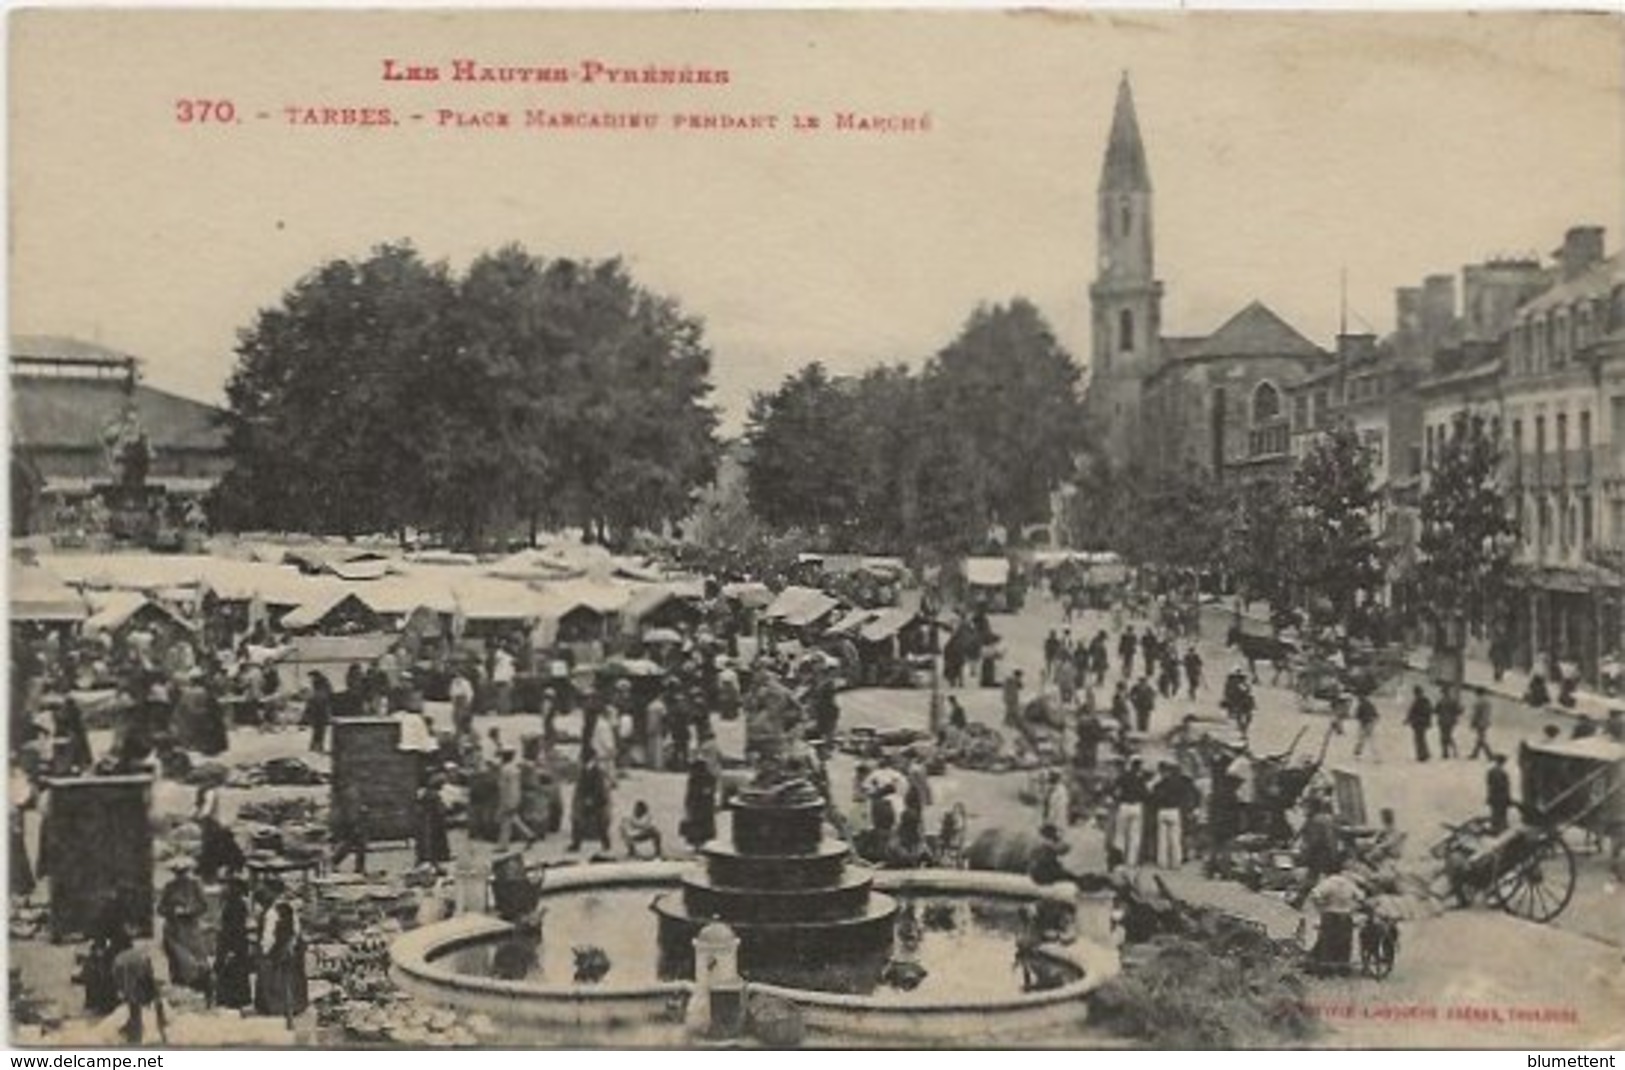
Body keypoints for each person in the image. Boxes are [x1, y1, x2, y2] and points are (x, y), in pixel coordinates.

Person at [156, 860, 212, 1005]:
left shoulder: (195, 885)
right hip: (174, 931)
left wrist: (189, 911)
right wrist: (172, 911)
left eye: (182, 872)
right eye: (177, 873)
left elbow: (204, 906)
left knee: (196, 962)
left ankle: (202, 993)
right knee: (176, 962)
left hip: (191, 931)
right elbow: (160, 909)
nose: (180, 876)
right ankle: (180, 995)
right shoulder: (169, 887)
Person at [255, 893, 308, 1026]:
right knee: (291, 980)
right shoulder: (289, 909)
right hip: (290, 949)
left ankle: (276, 1008)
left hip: (277, 950)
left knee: (274, 979)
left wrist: (264, 951)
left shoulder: (271, 913)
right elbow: (296, 930)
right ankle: (294, 1006)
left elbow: (269, 936)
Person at [1306, 864, 1364, 976]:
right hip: (1346, 916)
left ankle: (1325, 970)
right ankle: (1343, 969)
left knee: (1327, 942)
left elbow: (1315, 895)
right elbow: (1361, 897)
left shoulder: (1328, 883)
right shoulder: (1349, 883)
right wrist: (1353, 907)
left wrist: (1320, 907)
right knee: (1345, 943)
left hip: (1331, 915)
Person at [111, 939, 168, 1043]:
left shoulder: (144, 964)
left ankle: (132, 1029)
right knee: (135, 1003)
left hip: (122, 967)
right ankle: (134, 1035)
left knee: (134, 1003)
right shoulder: (144, 967)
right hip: (127, 968)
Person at [213, 874, 254, 1010]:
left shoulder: (236, 905)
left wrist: (231, 949)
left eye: (228, 886)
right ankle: (232, 999)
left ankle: (233, 999)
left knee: (233, 970)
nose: (224, 888)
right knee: (231, 970)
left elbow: (235, 928)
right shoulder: (230, 903)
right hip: (232, 941)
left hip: (233, 942)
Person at [1149, 760, 1200, 869]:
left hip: (1162, 811)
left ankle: (1162, 862)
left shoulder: (1158, 785)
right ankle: (1176, 862)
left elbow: (1153, 799)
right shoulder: (1180, 784)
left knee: (1162, 839)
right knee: (1175, 838)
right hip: (1174, 811)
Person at [194, 783, 244, 883]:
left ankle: (211, 874)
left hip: (211, 824)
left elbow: (206, 810)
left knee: (211, 848)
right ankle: (219, 873)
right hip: (215, 824)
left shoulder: (209, 792)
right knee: (217, 848)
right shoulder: (212, 791)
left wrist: (198, 816)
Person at [570, 748, 614, 853]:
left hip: (598, 801)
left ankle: (605, 843)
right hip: (589, 800)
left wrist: (591, 799)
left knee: (599, 823)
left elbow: (599, 789)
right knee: (578, 820)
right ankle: (577, 843)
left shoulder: (596, 772)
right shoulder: (585, 771)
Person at [496, 748, 538, 849]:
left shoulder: (505, 769)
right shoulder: (515, 769)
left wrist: (503, 802)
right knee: (513, 819)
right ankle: (529, 835)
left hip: (508, 797)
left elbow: (503, 787)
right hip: (516, 795)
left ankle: (503, 845)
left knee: (505, 822)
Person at [1112, 757, 1150, 869]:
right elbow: (1146, 794)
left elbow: (1114, 790)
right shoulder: (1141, 779)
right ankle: (1131, 862)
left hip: (1124, 806)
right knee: (1135, 836)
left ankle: (1119, 860)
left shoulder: (1123, 777)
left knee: (1120, 834)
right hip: (1137, 807)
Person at [680, 755, 718, 851]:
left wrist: (688, 805)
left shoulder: (695, 778)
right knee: (701, 824)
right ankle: (699, 843)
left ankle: (696, 843)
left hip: (697, 805)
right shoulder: (709, 777)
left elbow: (690, 794)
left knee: (696, 824)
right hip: (704, 806)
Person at [415, 774, 452, 870]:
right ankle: (433, 864)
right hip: (433, 822)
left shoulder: (425, 793)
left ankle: (428, 862)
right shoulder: (434, 795)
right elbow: (440, 809)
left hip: (425, 822)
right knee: (433, 843)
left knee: (426, 843)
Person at [304, 672, 333, 753]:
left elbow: (322, 696)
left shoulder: (322, 684)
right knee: (318, 729)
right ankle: (316, 746)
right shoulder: (321, 684)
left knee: (320, 730)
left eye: (312, 677)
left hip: (320, 709)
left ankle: (317, 746)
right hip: (319, 709)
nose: (311, 679)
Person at [1486, 754, 1513, 834]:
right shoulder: (1503, 773)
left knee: (1494, 812)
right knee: (1502, 813)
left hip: (1493, 795)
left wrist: (1489, 796)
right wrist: (1508, 798)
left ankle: (1495, 827)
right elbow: (1505, 787)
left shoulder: (1490, 771)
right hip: (1501, 797)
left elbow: (1489, 784)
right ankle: (1501, 829)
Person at [1406, 686, 1434, 762]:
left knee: (1419, 739)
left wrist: (1408, 720)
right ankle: (1424, 754)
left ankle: (1422, 755)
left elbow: (1412, 712)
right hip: (1422, 722)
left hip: (1419, 722)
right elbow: (1430, 711)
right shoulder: (1425, 701)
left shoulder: (1418, 701)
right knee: (1421, 738)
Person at [1436, 685, 1462, 760]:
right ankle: (1453, 751)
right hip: (1451, 721)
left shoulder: (1441, 701)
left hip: (1442, 721)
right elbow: (1459, 711)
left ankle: (1445, 752)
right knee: (1448, 736)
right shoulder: (1453, 701)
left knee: (1444, 736)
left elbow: (1436, 710)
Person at [1352, 691, 1380, 761]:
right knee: (1372, 740)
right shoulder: (1370, 704)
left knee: (1361, 740)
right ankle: (1376, 756)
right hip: (1371, 723)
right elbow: (1376, 714)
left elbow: (1357, 715)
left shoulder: (1360, 706)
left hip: (1364, 723)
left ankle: (1357, 755)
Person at [1468, 691, 1495, 759]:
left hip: (1480, 722)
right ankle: (1475, 753)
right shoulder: (1487, 702)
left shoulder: (1478, 702)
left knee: (1481, 739)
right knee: (1480, 738)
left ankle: (1490, 755)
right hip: (1485, 722)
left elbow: (1476, 714)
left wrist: (1473, 722)